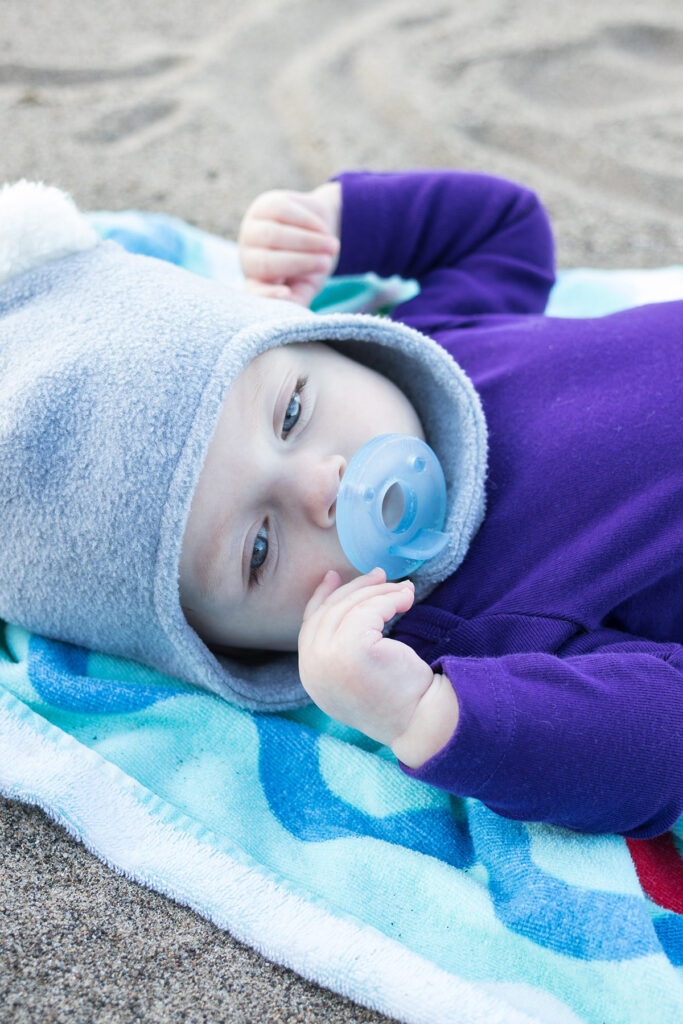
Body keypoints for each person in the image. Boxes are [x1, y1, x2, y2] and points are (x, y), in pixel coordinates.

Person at [0, 172, 680, 839]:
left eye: (291, 411)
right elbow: (659, 740)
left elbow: (505, 228)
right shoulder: (463, 637)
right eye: (259, 549)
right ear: (238, 651)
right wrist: (424, 716)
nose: (319, 486)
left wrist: (329, 220)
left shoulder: (435, 336)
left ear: (310, 337)